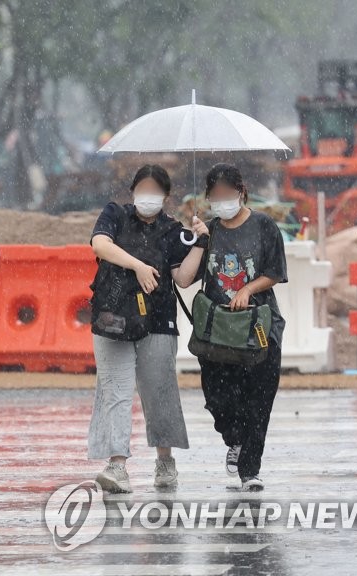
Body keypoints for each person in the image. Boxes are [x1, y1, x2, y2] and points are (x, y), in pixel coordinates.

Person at [87, 164, 210, 494]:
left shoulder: (172, 231)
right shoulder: (115, 215)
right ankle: (116, 465)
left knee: (160, 393)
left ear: (167, 197)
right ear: (132, 192)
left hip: (157, 319)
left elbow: (183, 278)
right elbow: (100, 244)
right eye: (143, 189)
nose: (148, 197)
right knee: (115, 391)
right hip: (112, 318)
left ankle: (165, 459)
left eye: (156, 191)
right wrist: (138, 265)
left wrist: (200, 242)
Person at [177, 163, 287, 492]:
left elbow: (275, 271)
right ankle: (234, 439)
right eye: (215, 195)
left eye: (228, 194)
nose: (222, 200)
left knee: (258, 401)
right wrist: (199, 241)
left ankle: (249, 470)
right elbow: (184, 279)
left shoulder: (264, 226)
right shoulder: (209, 230)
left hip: (257, 329)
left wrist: (247, 289)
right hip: (217, 333)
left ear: (241, 192)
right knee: (219, 398)